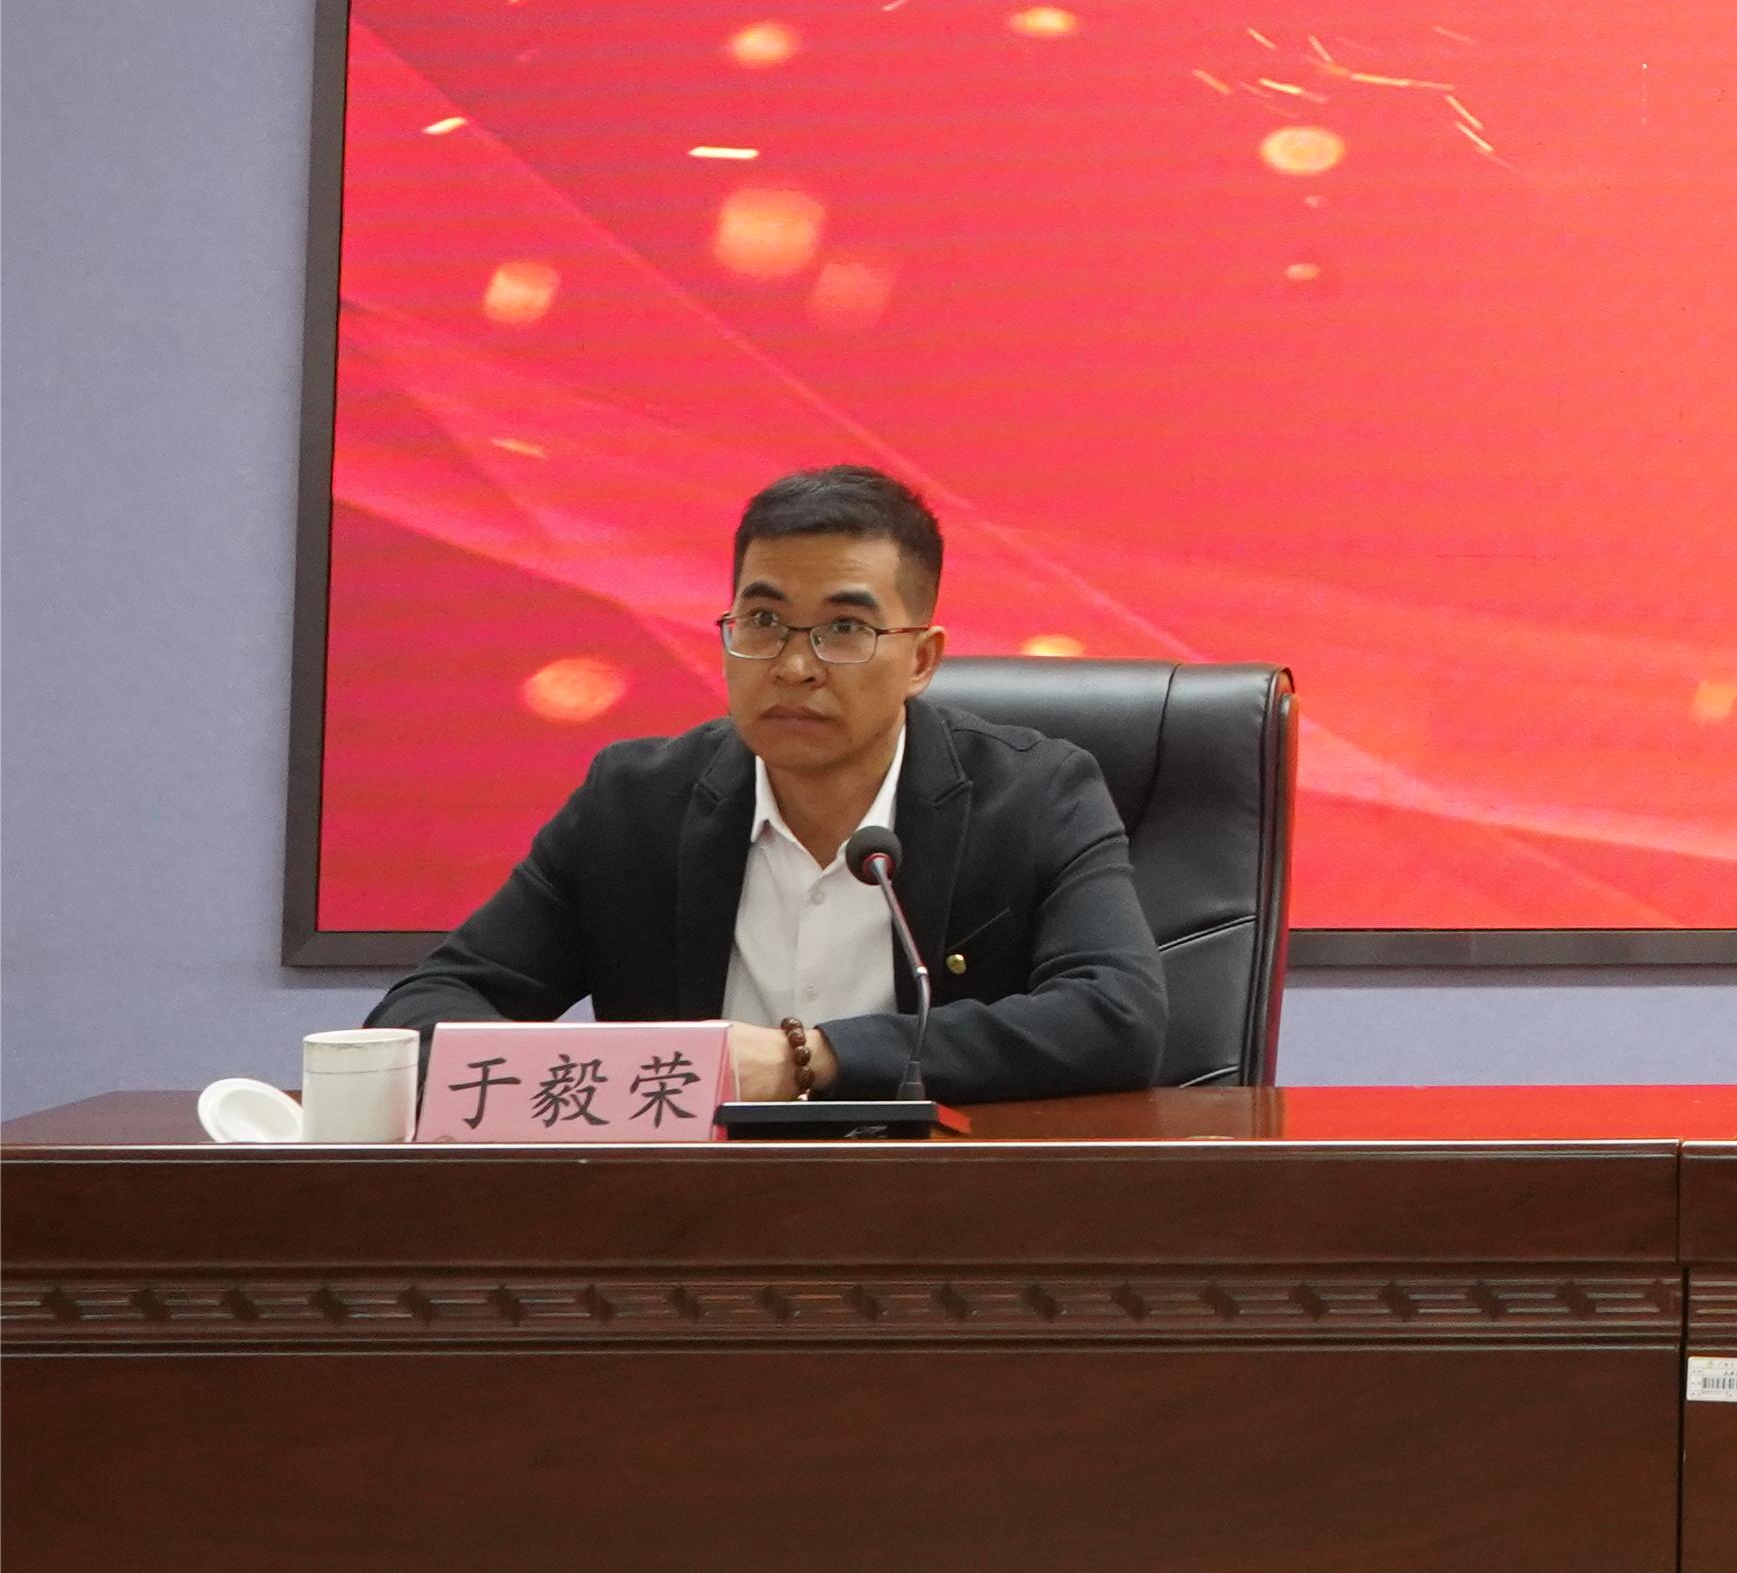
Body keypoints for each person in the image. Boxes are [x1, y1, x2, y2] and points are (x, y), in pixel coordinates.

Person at [371, 464, 1166, 1104]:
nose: (792, 666)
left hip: (940, 1212)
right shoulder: (633, 806)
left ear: (921, 660)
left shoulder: (1034, 795)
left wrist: (811, 1059)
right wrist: (619, 1077)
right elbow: (422, 1018)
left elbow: (1116, 1017)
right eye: (762, 623)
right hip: (683, 1222)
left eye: (844, 629)